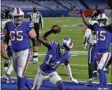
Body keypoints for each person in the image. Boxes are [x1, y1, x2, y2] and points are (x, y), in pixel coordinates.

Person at [1, 8, 38, 90]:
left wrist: (35, 54)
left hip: (25, 51)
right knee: (18, 74)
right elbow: (6, 39)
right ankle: (31, 88)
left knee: (21, 74)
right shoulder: (8, 25)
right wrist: (4, 49)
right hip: (14, 52)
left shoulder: (27, 24)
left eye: (21, 17)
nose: (19, 19)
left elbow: (34, 39)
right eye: (17, 17)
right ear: (13, 17)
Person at [80, 9, 112, 90]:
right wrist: (82, 15)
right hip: (98, 53)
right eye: (100, 20)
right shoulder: (96, 27)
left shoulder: (109, 27)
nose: (101, 21)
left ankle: (101, 87)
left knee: (100, 69)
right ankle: (105, 87)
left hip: (105, 52)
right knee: (102, 70)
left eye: (102, 20)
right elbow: (86, 24)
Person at [1, 19, 14, 83]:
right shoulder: (9, 24)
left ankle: (7, 78)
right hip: (10, 45)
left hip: (4, 44)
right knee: (16, 61)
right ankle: (7, 75)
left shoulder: (4, 25)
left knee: (6, 61)